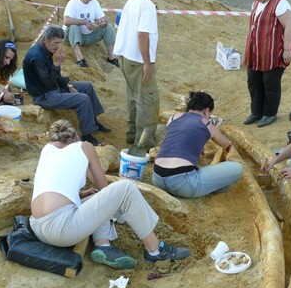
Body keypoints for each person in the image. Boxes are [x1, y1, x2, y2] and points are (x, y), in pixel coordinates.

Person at [29, 119, 191, 270]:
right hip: (62, 231)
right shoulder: (84, 147)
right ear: (76, 137)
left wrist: (81, 193)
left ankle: (103, 245)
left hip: (37, 226)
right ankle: (155, 250)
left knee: (97, 198)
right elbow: (103, 187)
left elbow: (54, 186)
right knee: (125, 188)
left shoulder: (47, 149)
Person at [23, 25, 110, 146]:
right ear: (46, 40)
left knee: (87, 86)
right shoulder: (37, 57)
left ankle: (94, 122)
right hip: (44, 96)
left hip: (53, 88)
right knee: (82, 99)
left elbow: (54, 77)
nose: (58, 46)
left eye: (60, 42)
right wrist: (58, 64)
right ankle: (87, 135)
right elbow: (48, 83)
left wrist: (68, 85)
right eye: (55, 42)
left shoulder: (45, 50)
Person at [113, 0, 170, 149]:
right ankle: (144, 143)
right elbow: (142, 35)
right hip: (137, 60)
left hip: (126, 57)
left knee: (134, 97)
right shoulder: (146, 5)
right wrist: (146, 62)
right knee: (148, 101)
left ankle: (132, 134)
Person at [153, 91, 243, 198]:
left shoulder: (173, 118)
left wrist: (196, 147)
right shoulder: (207, 124)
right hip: (182, 183)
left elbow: (178, 139)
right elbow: (226, 144)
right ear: (207, 111)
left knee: (222, 184)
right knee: (237, 169)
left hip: (157, 178)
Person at [242, 0, 291, 128]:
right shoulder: (256, 3)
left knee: (270, 82)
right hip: (256, 50)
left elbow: (288, 27)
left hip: (272, 51)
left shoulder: (280, 4)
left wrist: (287, 50)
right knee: (253, 80)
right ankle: (256, 111)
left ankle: (270, 113)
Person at [63, 0, 119, 68]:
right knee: (74, 26)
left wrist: (102, 22)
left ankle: (112, 57)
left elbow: (104, 18)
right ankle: (80, 59)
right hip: (72, 37)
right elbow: (66, 21)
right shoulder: (73, 3)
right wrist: (84, 22)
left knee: (107, 27)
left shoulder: (94, 3)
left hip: (89, 36)